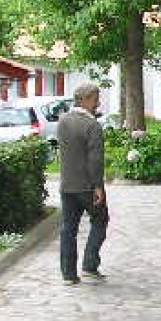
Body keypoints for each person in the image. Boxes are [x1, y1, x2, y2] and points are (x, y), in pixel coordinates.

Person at [57, 83, 109, 285]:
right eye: (95, 99)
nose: (98, 103)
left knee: (68, 228)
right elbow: (95, 159)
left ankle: (68, 274)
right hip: (87, 186)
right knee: (100, 220)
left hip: (67, 185)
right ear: (85, 100)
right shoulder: (92, 125)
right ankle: (89, 264)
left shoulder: (63, 121)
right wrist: (98, 186)